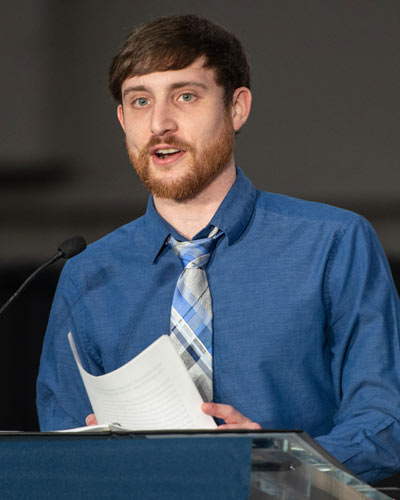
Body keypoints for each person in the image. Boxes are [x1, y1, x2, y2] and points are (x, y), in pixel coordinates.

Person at [36, 14, 400, 484]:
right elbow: (58, 446)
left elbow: (385, 423)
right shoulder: (88, 274)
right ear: (123, 120)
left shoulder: (333, 243)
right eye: (140, 101)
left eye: (186, 96)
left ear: (237, 108)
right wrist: (86, 456)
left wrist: (276, 463)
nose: (160, 124)